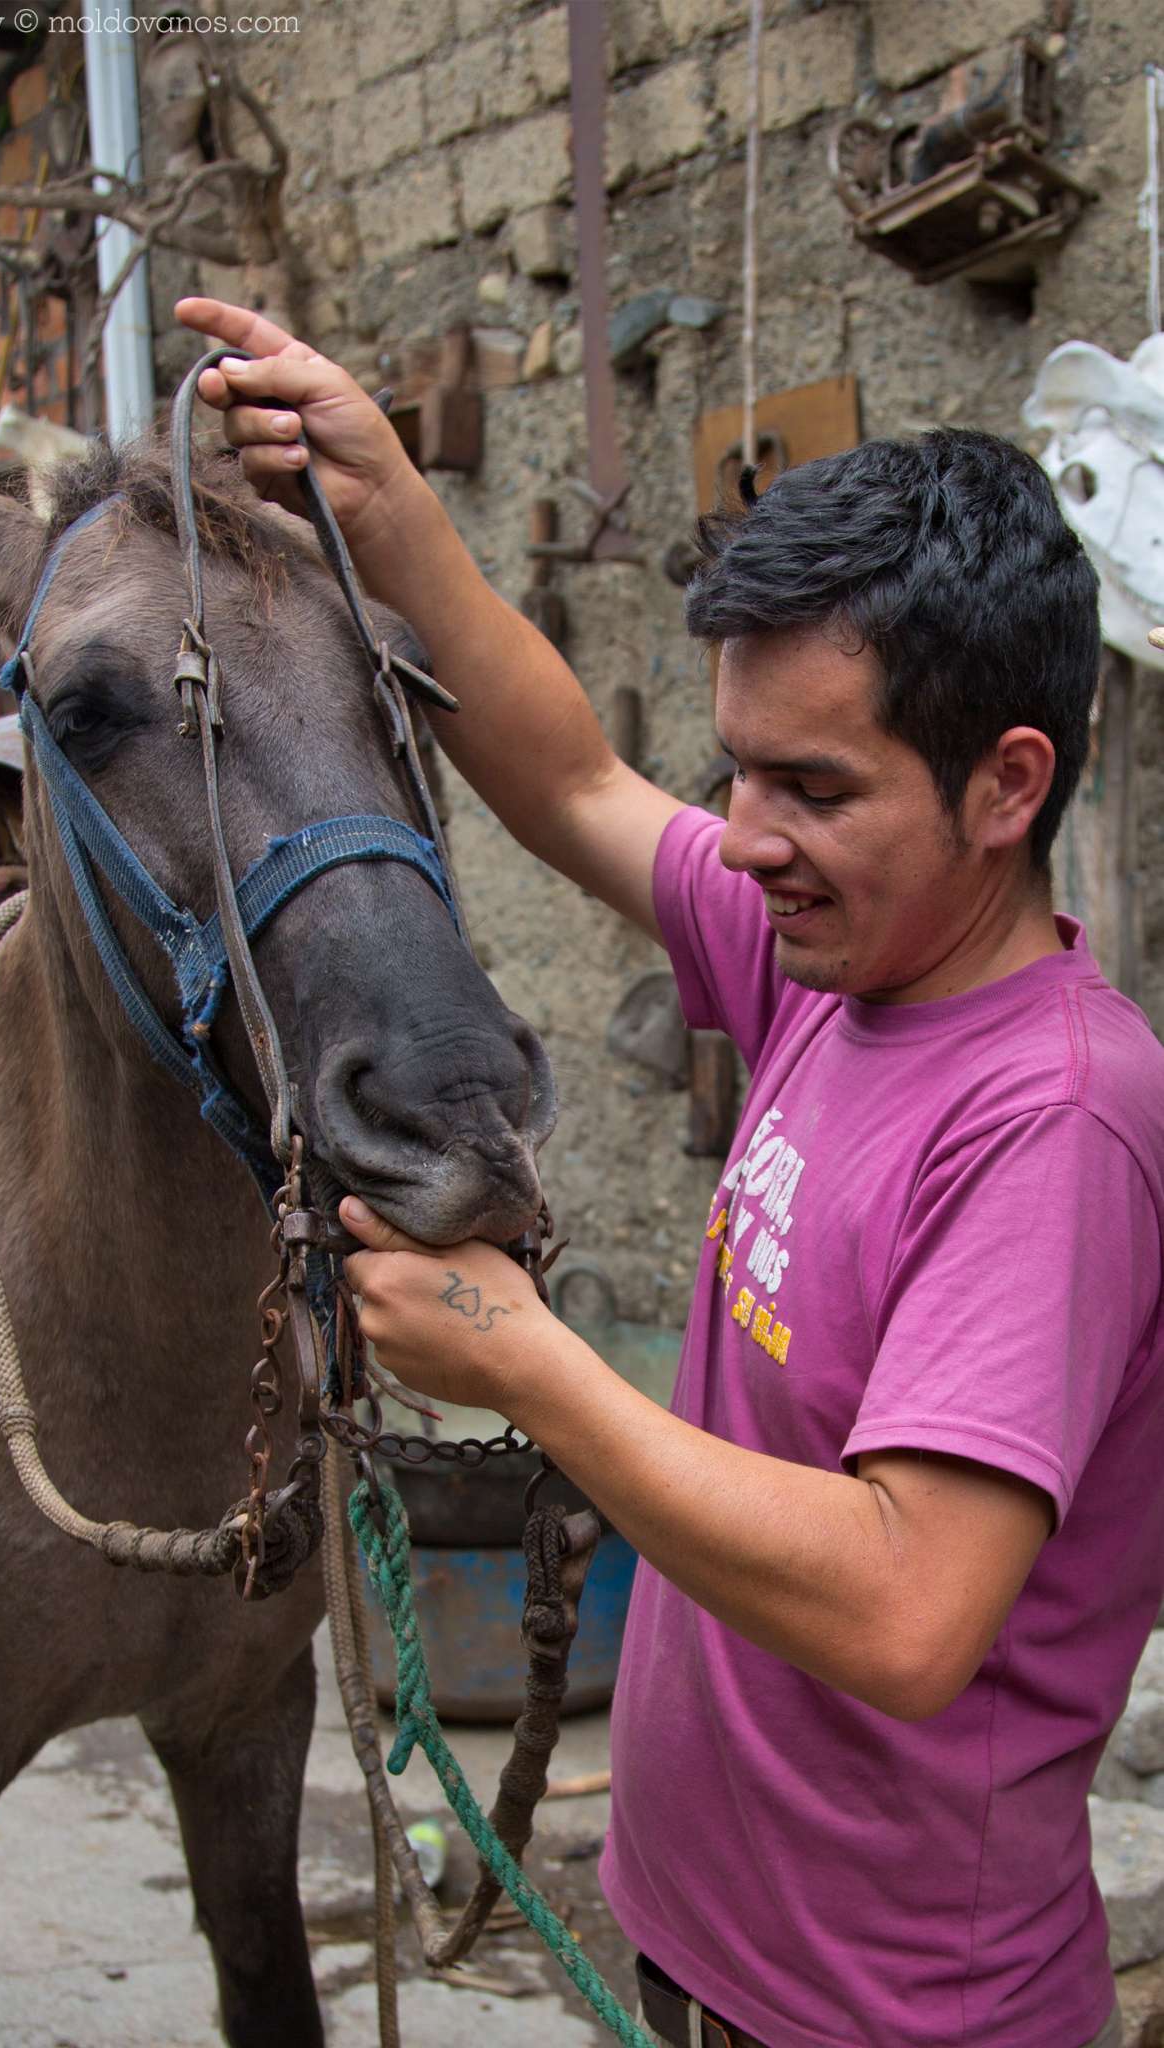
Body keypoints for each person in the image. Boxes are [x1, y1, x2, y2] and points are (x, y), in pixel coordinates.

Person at [174, 297, 1164, 2048]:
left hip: (892, 2014)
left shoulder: (1053, 1121)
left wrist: (522, 1363)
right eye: (733, 769)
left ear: (1007, 783)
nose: (745, 832)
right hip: (708, 1947)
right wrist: (392, 508)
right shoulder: (829, 952)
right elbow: (566, 776)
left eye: (809, 783)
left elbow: (906, 1604)